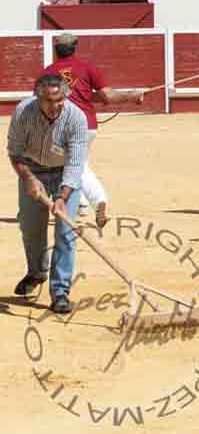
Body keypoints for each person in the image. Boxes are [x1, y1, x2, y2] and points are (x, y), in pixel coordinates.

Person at [41, 33, 144, 229]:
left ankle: (97, 201)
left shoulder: (48, 73)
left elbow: (41, 103)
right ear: (75, 48)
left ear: (56, 49)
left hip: (61, 126)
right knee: (77, 164)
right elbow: (105, 96)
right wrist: (131, 96)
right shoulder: (87, 69)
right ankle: (83, 203)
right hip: (87, 125)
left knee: (73, 166)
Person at [8, 74, 88, 314]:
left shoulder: (76, 117)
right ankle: (36, 272)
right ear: (37, 97)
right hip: (31, 169)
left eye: (59, 100)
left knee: (66, 232)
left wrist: (62, 198)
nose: (54, 106)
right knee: (30, 226)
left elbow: (75, 163)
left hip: (64, 174)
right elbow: (14, 151)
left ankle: (60, 291)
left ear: (65, 96)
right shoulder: (23, 112)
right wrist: (29, 178)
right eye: (48, 100)